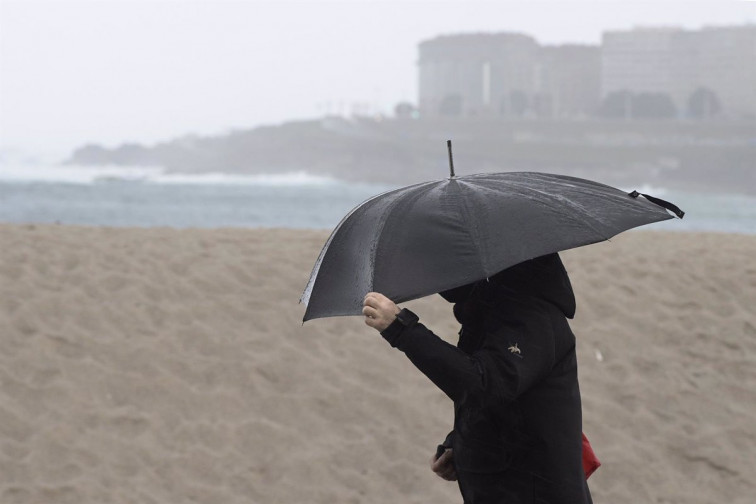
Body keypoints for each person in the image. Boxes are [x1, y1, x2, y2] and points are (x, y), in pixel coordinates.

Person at [362, 253, 593, 503]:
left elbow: (485, 385)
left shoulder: (531, 315)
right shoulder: (493, 307)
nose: (438, 276)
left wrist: (400, 328)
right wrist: (461, 443)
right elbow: (502, 397)